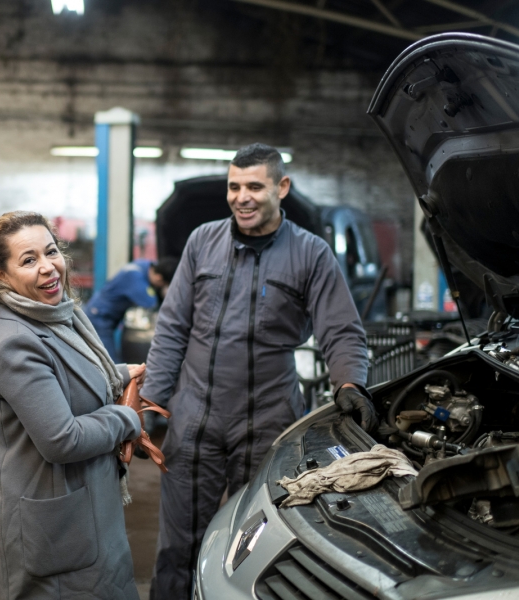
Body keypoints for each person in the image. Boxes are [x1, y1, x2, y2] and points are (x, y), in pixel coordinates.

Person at [140, 144, 378, 599]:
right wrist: (151, 401)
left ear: (281, 187)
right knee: (177, 549)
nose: (241, 197)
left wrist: (349, 383)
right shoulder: (201, 242)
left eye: (254, 186)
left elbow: (342, 330)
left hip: (268, 430)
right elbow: (171, 328)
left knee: (257, 550)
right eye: (234, 186)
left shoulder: (312, 254)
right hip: (194, 427)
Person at [0, 211, 149, 600]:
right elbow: (62, 440)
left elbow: (68, 378)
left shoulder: (54, 315)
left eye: (50, 252)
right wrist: (126, 418)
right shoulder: (14, 342)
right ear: (1, 275)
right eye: (28, 260)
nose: (48, 268)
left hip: (85, 509)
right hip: (56, 529)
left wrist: (120, 374)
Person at [84, 257, 180, 361]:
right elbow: (152, 304)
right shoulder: (136, 280)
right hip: (99, 317)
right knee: (108, 361)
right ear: (158, 278)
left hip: (104, 315)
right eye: (162, 285)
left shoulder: (147, 265)